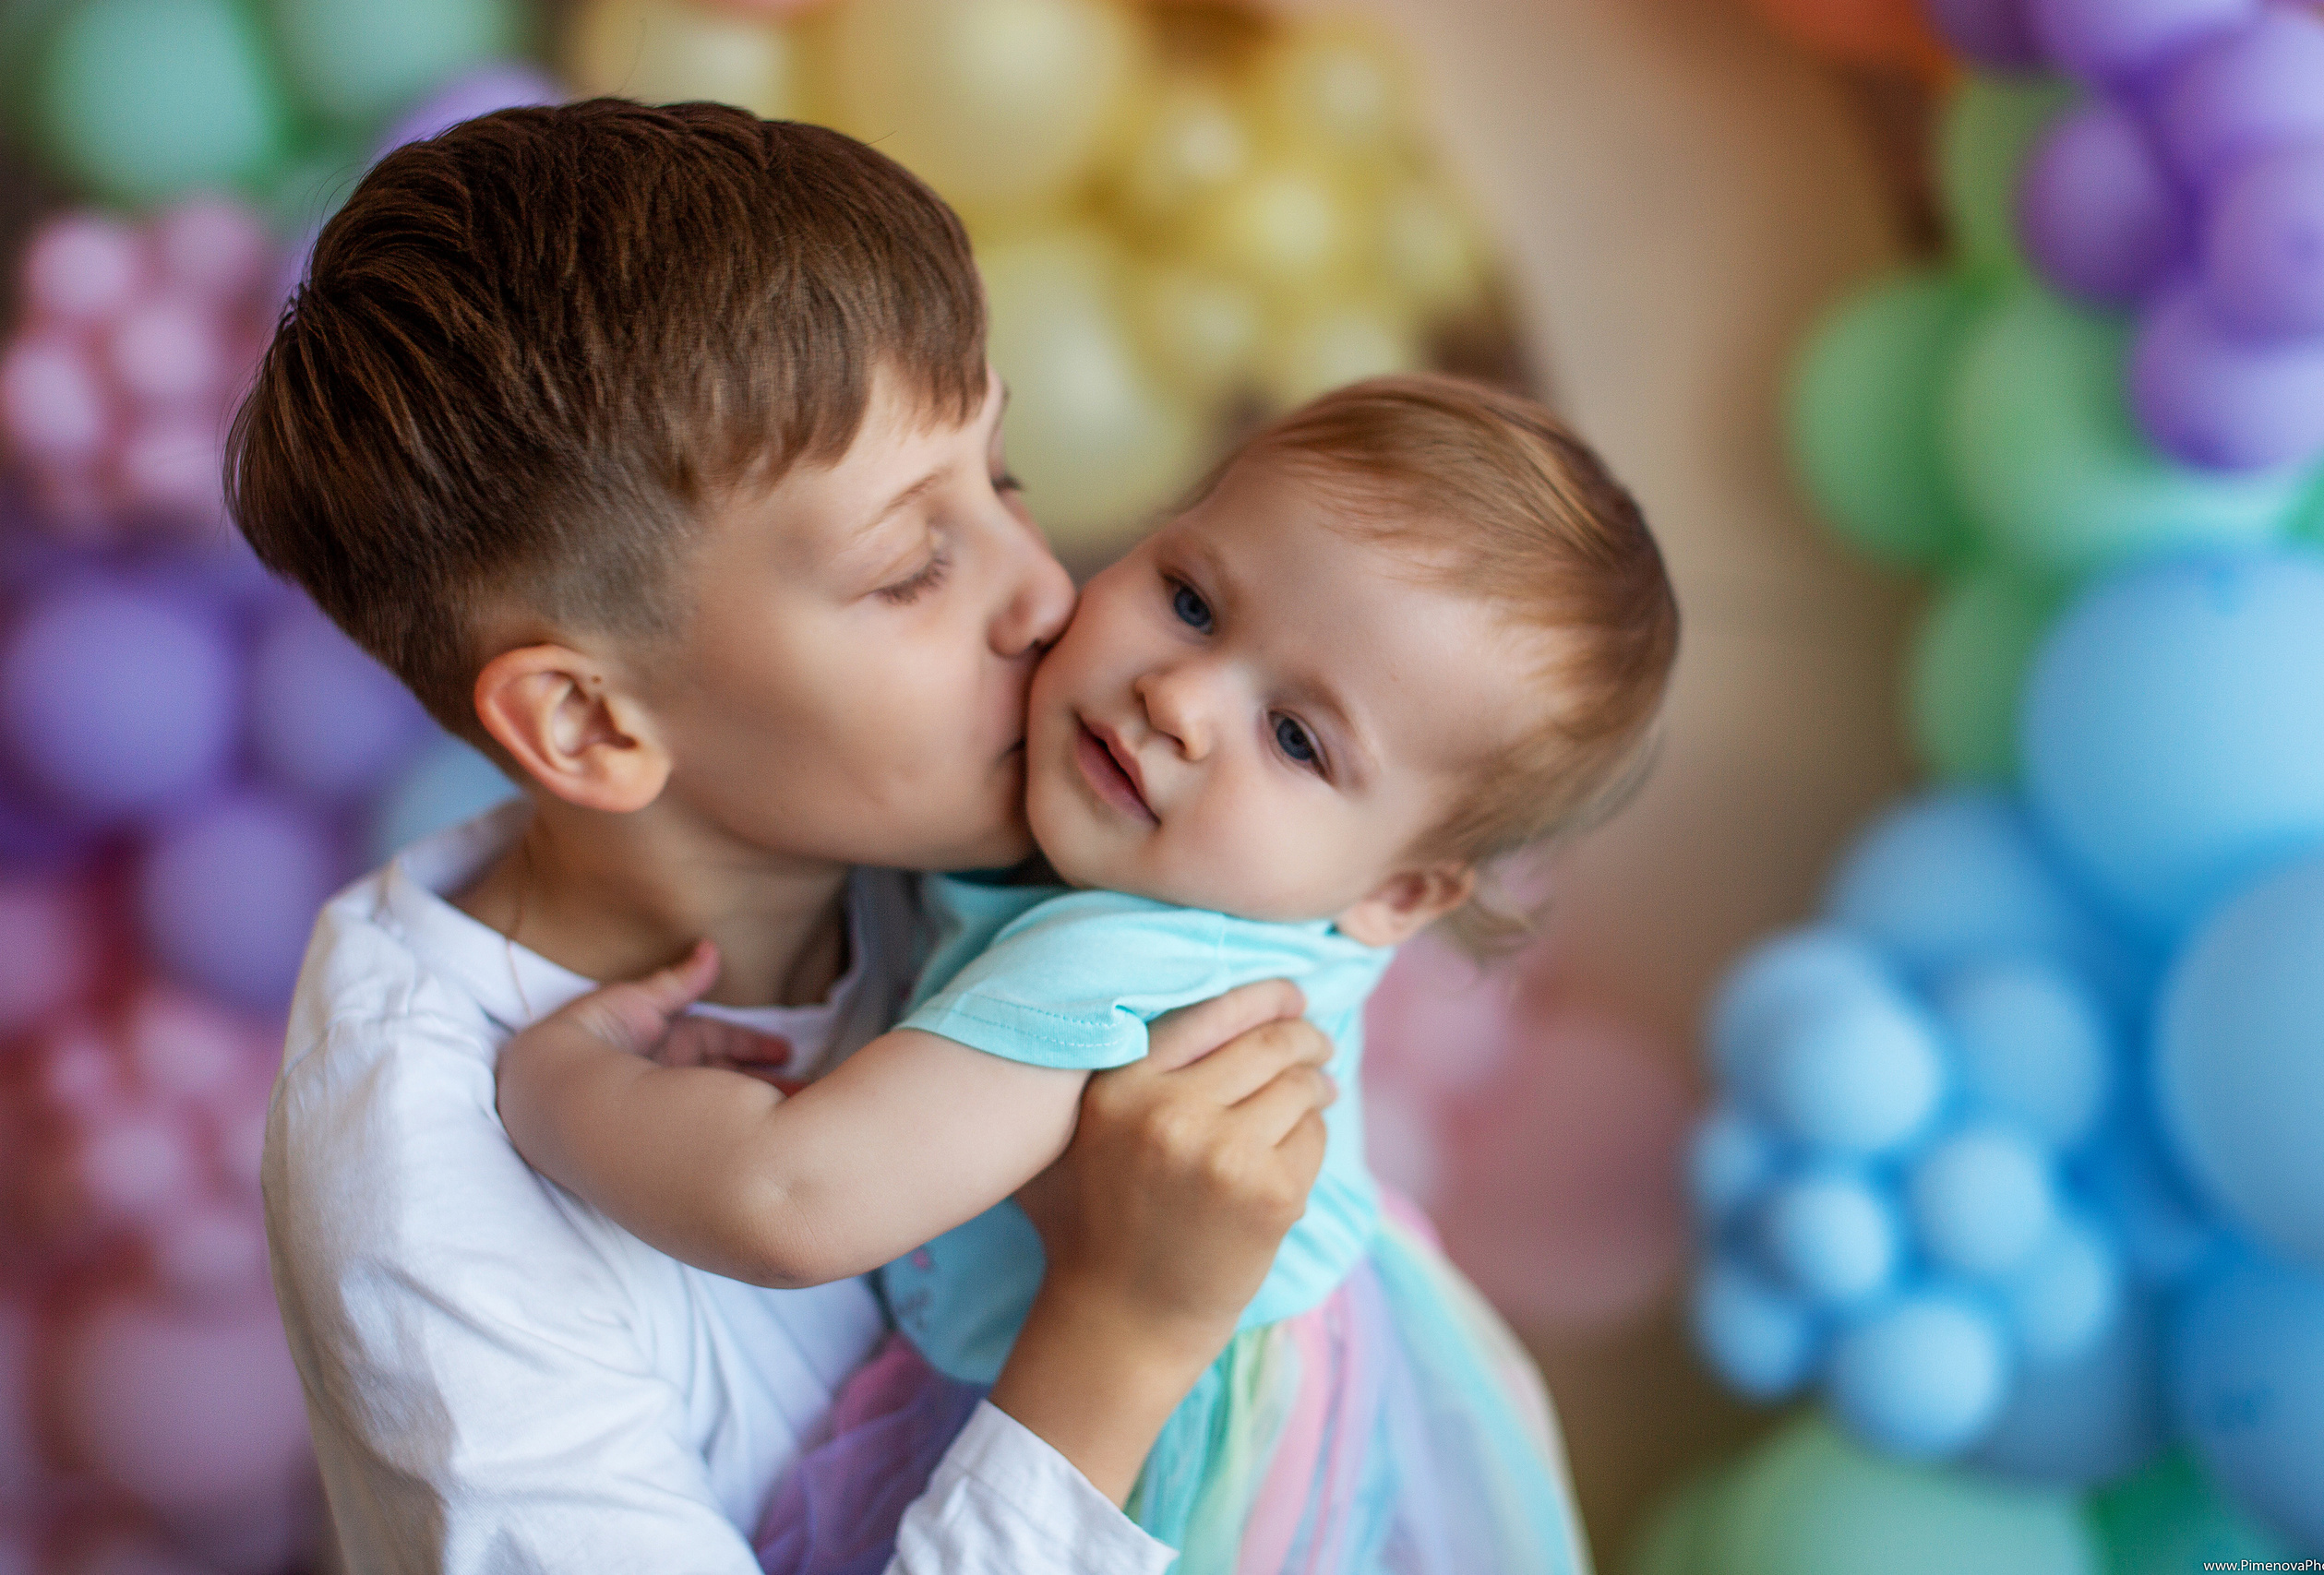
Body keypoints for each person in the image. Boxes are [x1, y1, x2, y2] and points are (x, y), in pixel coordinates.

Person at [232, 99, 1338, 1575]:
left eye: (1002, 480)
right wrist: (1121, 1334)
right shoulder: (421, 1193)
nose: (1046, 597)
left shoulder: (976, 828)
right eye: (909, 569)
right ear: (592, 728)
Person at [498, 375, 1680, 1573]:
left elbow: (789, 1201)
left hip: (1158, 1478)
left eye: (1295, 738)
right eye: (1190, 599)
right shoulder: (1164, 869)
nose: (1177, 700)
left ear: (1399, 896)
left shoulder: (1134, 961)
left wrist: (556, 1085)